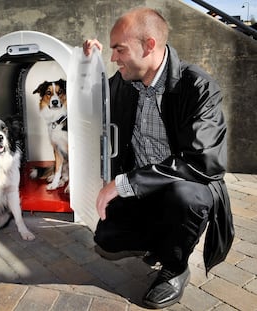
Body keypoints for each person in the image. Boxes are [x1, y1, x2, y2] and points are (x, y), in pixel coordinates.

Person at [83, 7, 233, 309]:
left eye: (119, 49)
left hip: (182, 189)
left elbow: (203, 162)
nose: (114, 58)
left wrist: (123, 183)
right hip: (143, 190)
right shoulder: (125, 81)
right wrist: (87, 65)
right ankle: (161, 239)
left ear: (149, 45)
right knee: (107, 238)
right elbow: (95, 97)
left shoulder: (198, 87)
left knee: (186, 198)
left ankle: (175, 268)